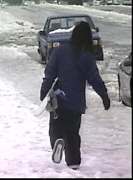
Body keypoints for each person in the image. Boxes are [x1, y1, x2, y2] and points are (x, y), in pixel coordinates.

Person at [40, 21, 110, 170]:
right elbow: (94, 78)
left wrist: (44, 91)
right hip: (76, 103)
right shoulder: (86, 55)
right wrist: (104, 95)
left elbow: (50, 74)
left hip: (59, 99)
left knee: (55, 128)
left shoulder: (60, 51)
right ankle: (74, 163)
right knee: (73, 133)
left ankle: (57, 142)